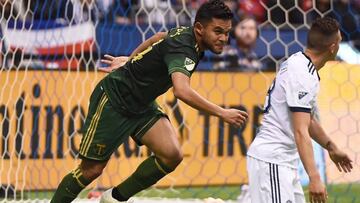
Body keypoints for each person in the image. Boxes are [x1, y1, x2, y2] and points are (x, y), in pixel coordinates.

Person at [50, 1, 248, 203]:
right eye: (218, 31)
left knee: (171, 154)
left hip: (142, 105)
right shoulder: (185, 48)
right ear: (199, 28)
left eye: (226, 32)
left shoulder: (188, 35)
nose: (224, 38)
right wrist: (222, 113)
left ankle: (114, 198)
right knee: (91, 171)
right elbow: (181, 90)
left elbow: (158, 38)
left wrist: (131, 59)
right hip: (115, 100)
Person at [247, 17, 353, 203]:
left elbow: (307, 120)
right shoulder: (303, 73)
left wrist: (332, 147)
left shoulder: (300, 64)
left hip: (284, 163)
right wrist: (315, 177)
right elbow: (300, 130)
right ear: (333, 47)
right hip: (273, 160)